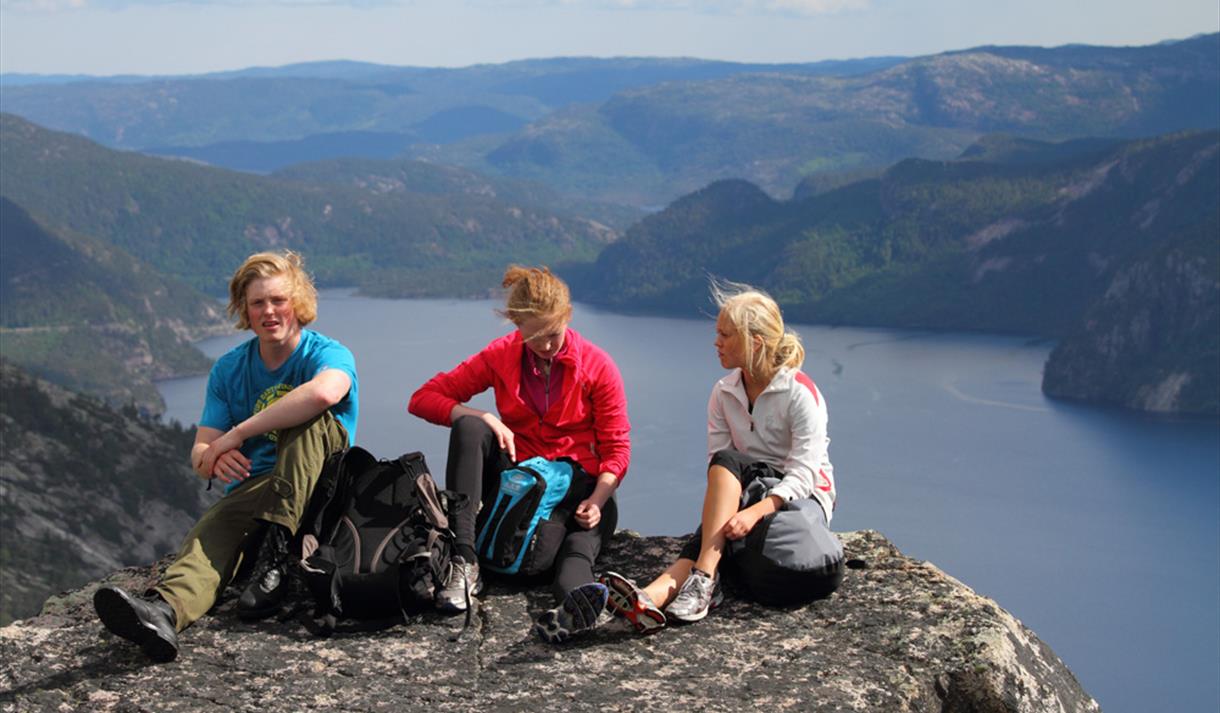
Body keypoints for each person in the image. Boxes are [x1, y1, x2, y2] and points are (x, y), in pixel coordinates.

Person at [92, 251, 359, 662]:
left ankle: (275, 553)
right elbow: (201, 453)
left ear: (298, 302)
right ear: (244, 310)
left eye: (279, 300)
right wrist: (212, 459)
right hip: (258, 490)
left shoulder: (326, 355)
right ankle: (165, 612)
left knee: (306, 421)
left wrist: (236, 435)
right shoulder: (230, 369)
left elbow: (324, 394)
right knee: (211, 531)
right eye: (257, 303)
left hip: (324, 487)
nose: (269, 311)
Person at [408, 265, 630, 643]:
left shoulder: (597, 366)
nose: (546, 346)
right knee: (470, 427)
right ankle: (465, 560)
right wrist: (482, 415)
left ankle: (576, 606)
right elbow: (423, 398)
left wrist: (597, 499)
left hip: (575, 491)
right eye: (535, 337)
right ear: (515, 323)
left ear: (568, 317)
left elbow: (617, 447)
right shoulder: (501, 355)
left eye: (553, 334)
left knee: (577, 550)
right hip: (516, 483)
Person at [601, 281, 835, 632]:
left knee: (722, 487)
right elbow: (720, 469)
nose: (716, 342)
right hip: (748, 492)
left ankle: (703, 582)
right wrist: (740, 509)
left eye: (726, 335)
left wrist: (756, 510)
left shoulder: (799, 393)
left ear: (755, 341)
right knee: (712, 528)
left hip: (802, 502)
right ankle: (647, 600)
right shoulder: (723, 393)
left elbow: (805, 472)